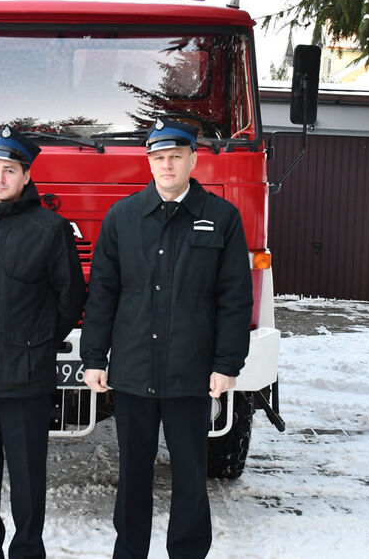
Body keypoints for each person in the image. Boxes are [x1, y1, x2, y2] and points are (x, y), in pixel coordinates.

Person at [80, 118, 253, 558]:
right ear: (149, 163)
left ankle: (189, 551)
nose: (167, 165)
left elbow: (234, 298)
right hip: (135, 371)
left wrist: (226, 364)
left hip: (189, 373)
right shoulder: (123, 217)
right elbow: (103, 292)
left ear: (193, 159)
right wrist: (94, 357)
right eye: (159, 158)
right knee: (134, 474)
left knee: (191, 475)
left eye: (176, 156)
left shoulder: (222, 218)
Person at [0, 126, 86, 559]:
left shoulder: (50, 228)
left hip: (26, 375)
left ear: (26, 176)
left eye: (9, 170)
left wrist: (37, 342)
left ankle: (27, 550)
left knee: (27, 476)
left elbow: (70, 299)